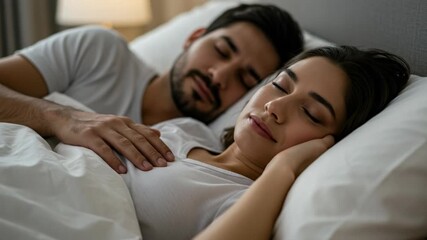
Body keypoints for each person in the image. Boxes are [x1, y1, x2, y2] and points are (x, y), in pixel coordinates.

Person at [120, 45, 410, 239]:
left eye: (310, 113)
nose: (275, 107)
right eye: (281, 86)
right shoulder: (187, 129)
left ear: (330, 143)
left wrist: (284, 168)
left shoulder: (244, 203)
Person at [0, 4, 303, 174]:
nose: (219, 75)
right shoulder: (99, 51)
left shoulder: (201, 147)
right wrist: (61, 118)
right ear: (193, 37)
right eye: (221, 50)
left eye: (245, 78)